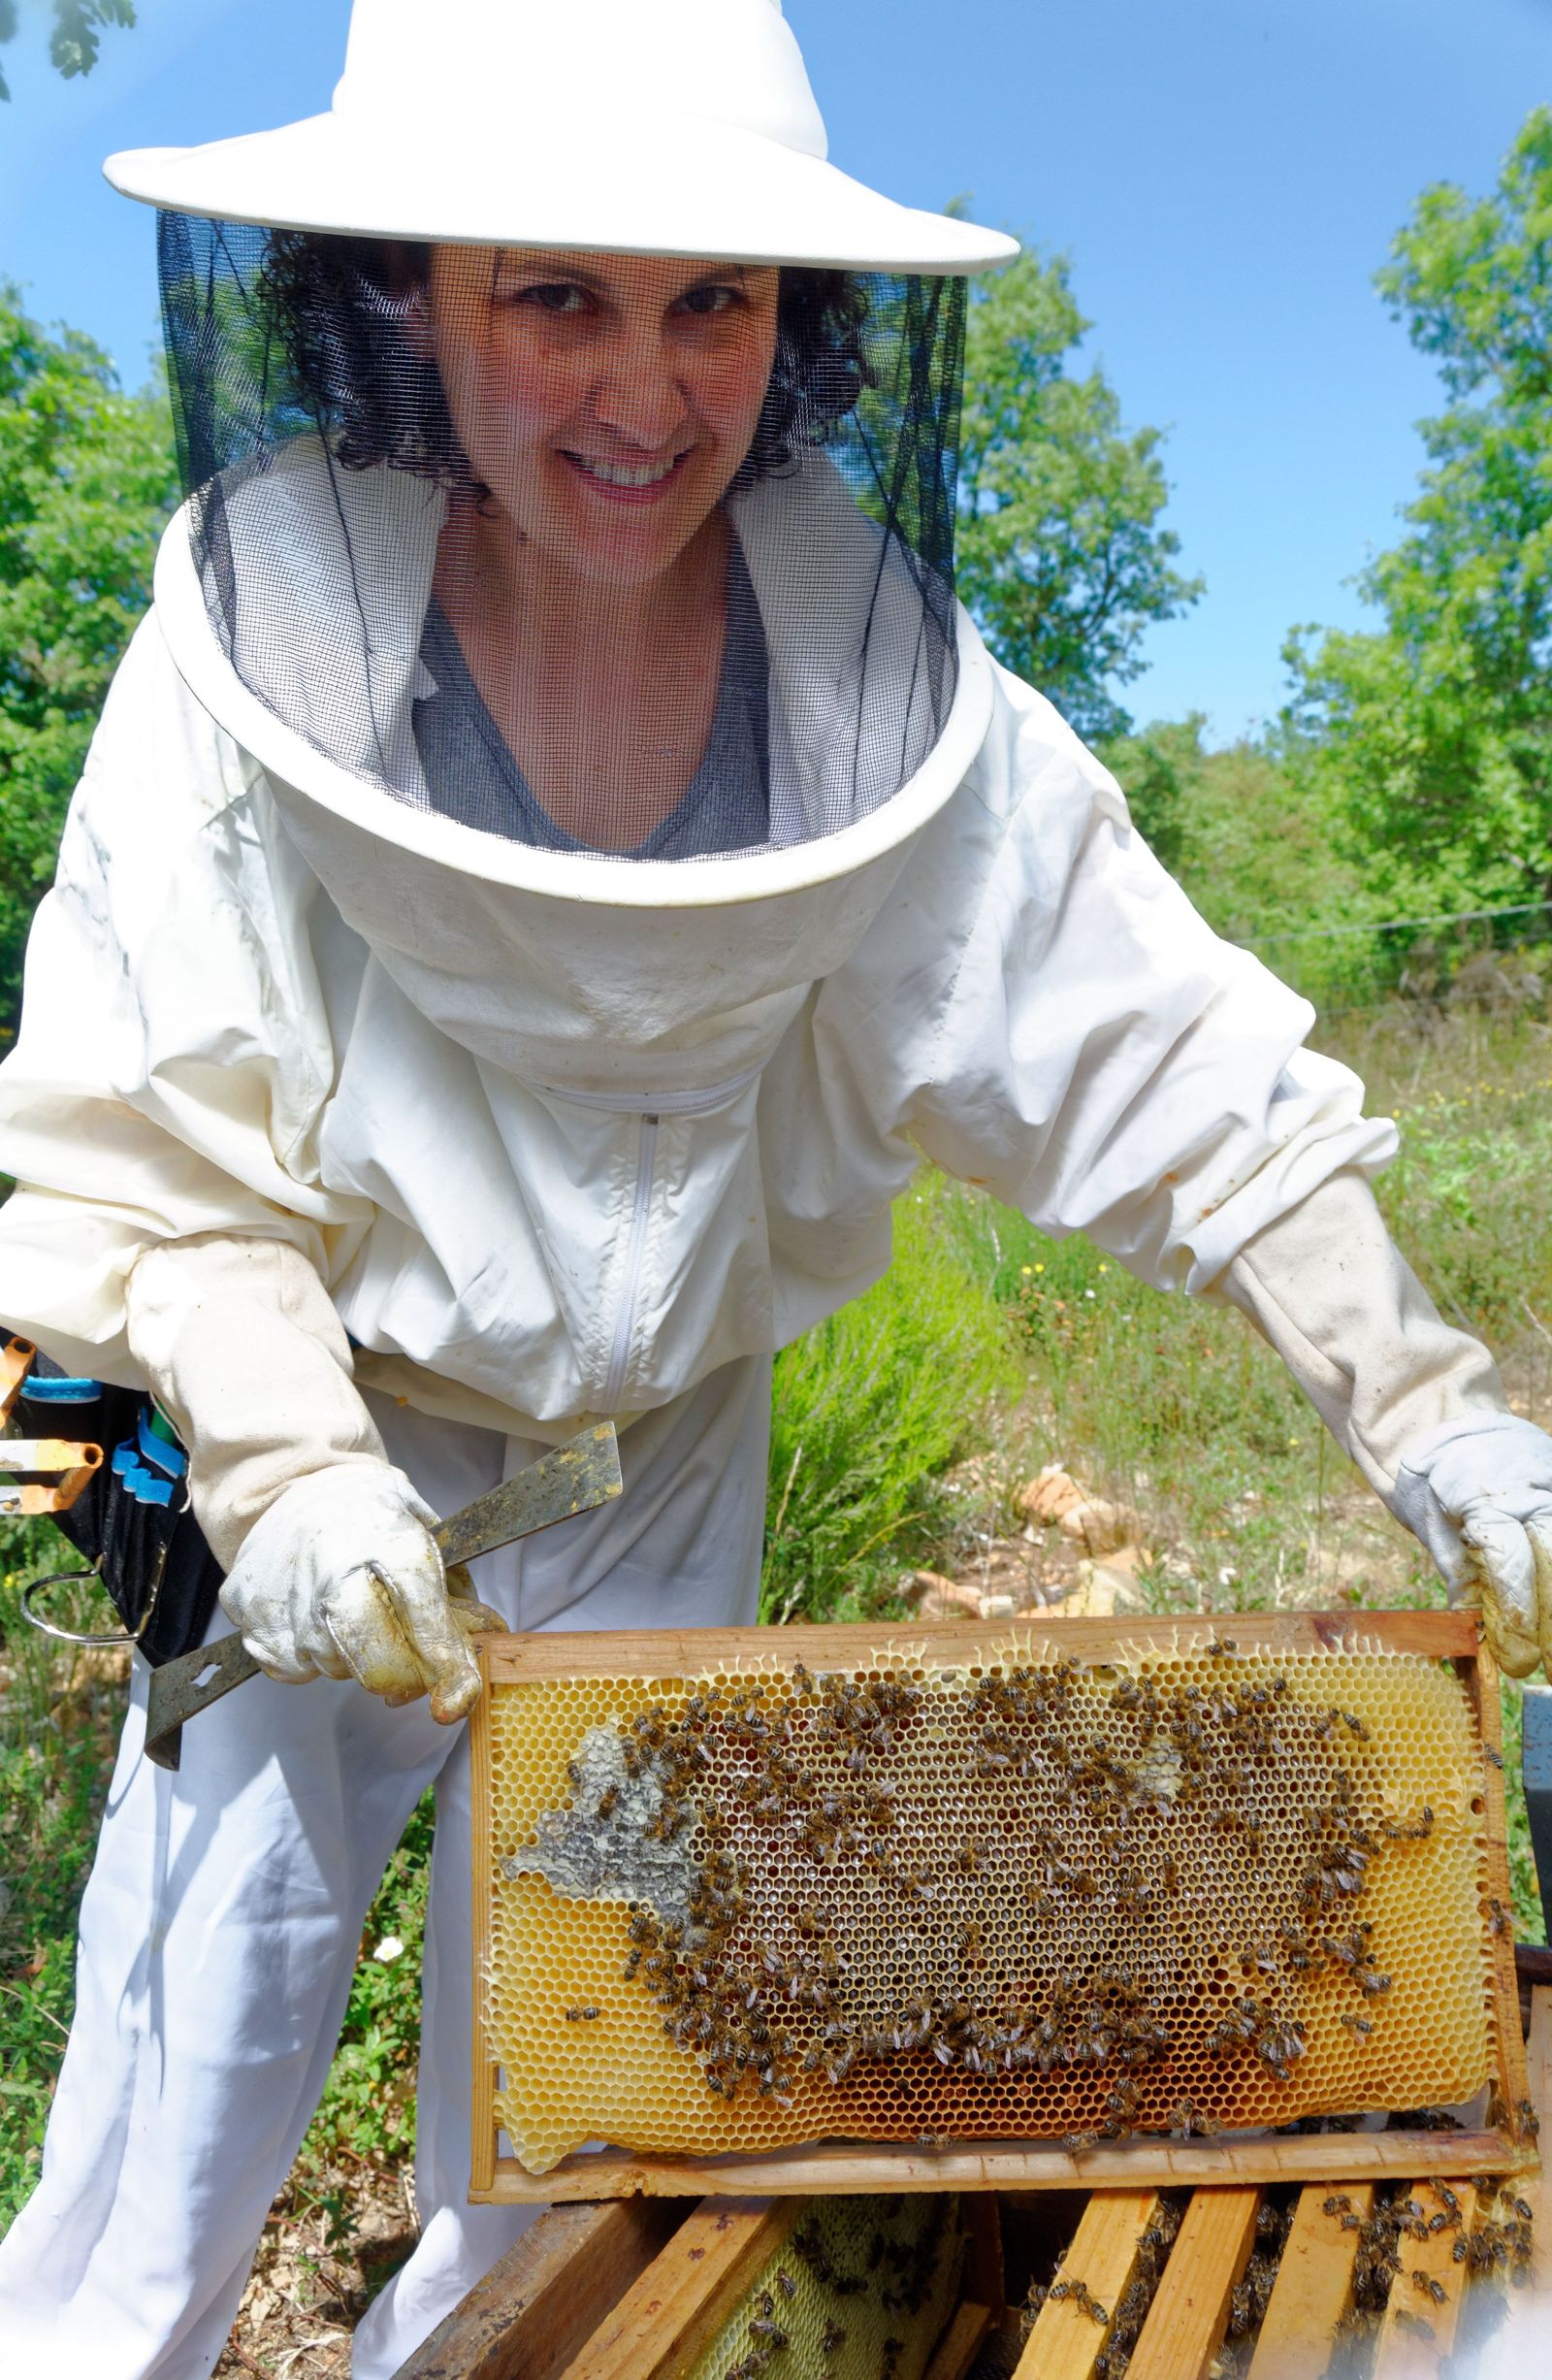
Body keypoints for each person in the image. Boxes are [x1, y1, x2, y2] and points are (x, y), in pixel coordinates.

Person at [1, 0, 1549, 2370]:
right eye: (558, 297)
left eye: (709, 303)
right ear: (405, 293)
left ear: (794, 330)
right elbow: (151, 1146)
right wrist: (294, 1476)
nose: (646, 391)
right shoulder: (251, 661)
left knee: (583, 2125)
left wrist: (1425, 1400)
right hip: (292, 1444)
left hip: (658, 1468)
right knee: (191, 2081)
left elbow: (1161, 1057)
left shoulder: (876, 686)